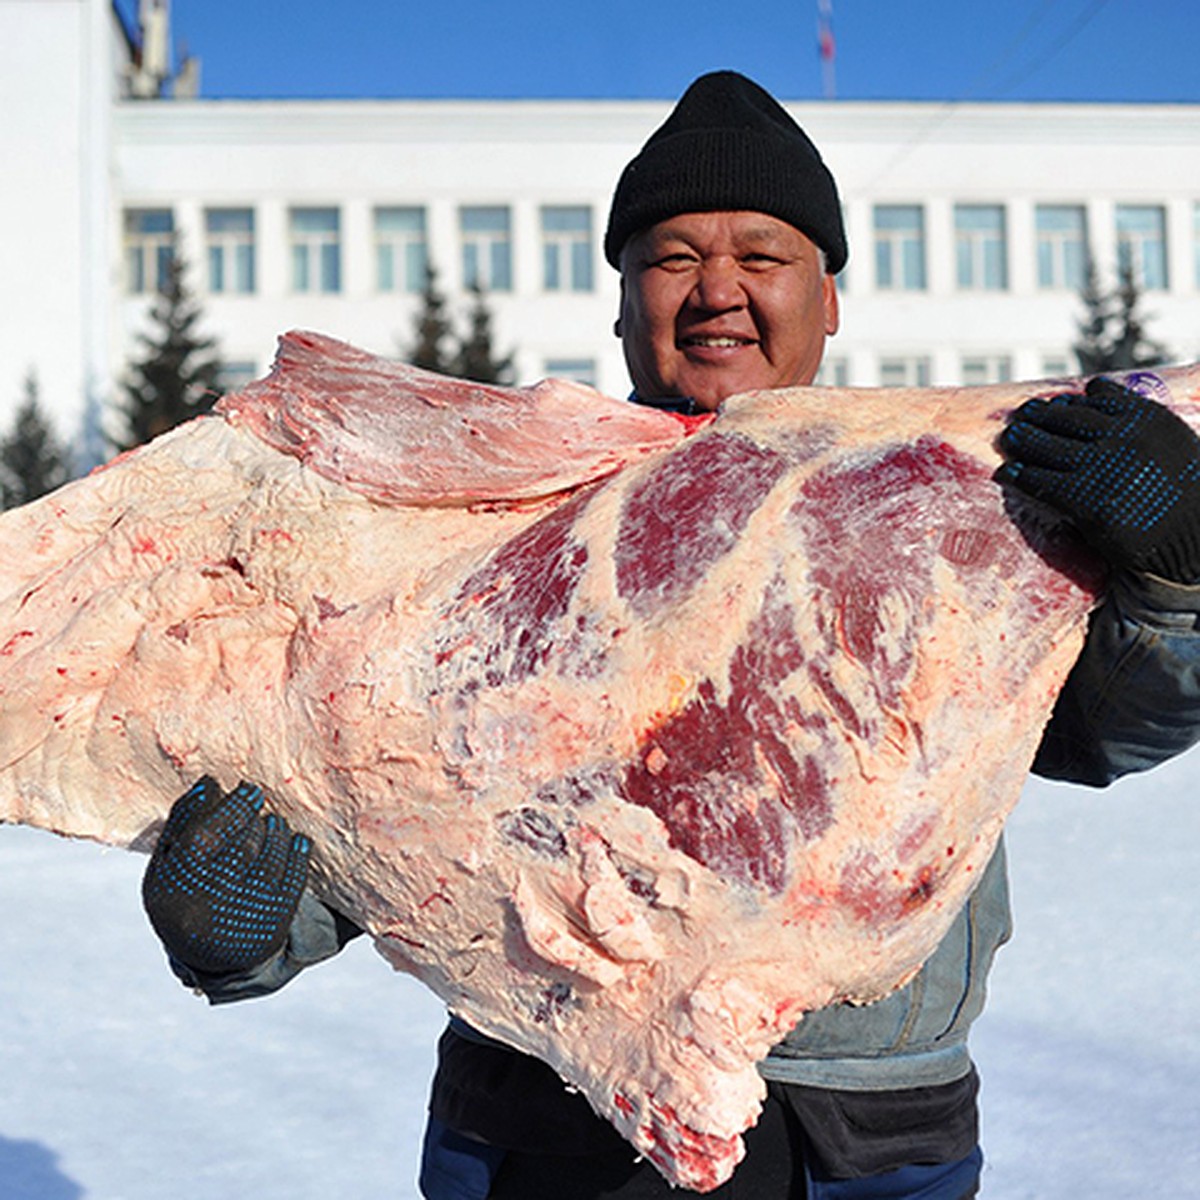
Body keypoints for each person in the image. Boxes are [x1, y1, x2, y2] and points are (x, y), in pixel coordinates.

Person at [140, 71, 1200, 1200]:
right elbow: (379, 778)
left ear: (829, 297)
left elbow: (1098, 732)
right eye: (676, 256)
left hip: (868, 1136)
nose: (718, 291)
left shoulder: (945, 504)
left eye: (762, 253)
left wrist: (1175, 576)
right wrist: (246, 928)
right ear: (622, 298)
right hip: (543, 1116)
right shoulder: (505, 515)